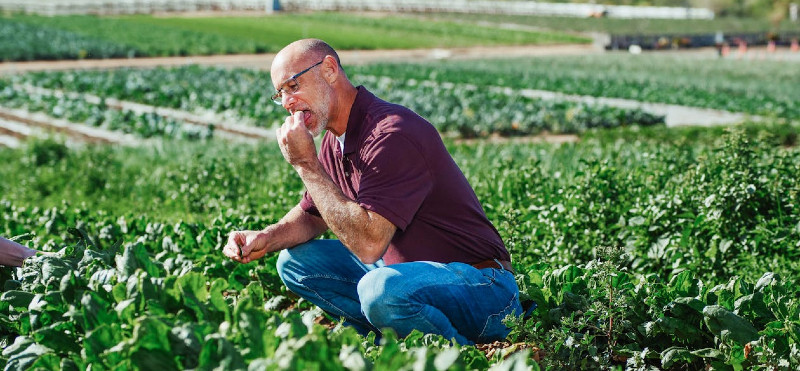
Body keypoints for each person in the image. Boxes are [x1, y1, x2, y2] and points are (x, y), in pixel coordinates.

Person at [222, 39, 521, 345]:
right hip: (408, 280)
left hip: (482, 289)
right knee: (295, 263)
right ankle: (389, 339)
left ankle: (459, 355)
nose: (287, 102)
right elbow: (313, 216)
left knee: (379, 290)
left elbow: (368, 246)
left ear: (328, 69)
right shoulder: (333, 141)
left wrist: (305, 165)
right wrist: (264, 237)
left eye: (293, 85)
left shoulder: (391, 134)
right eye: (280, 94)